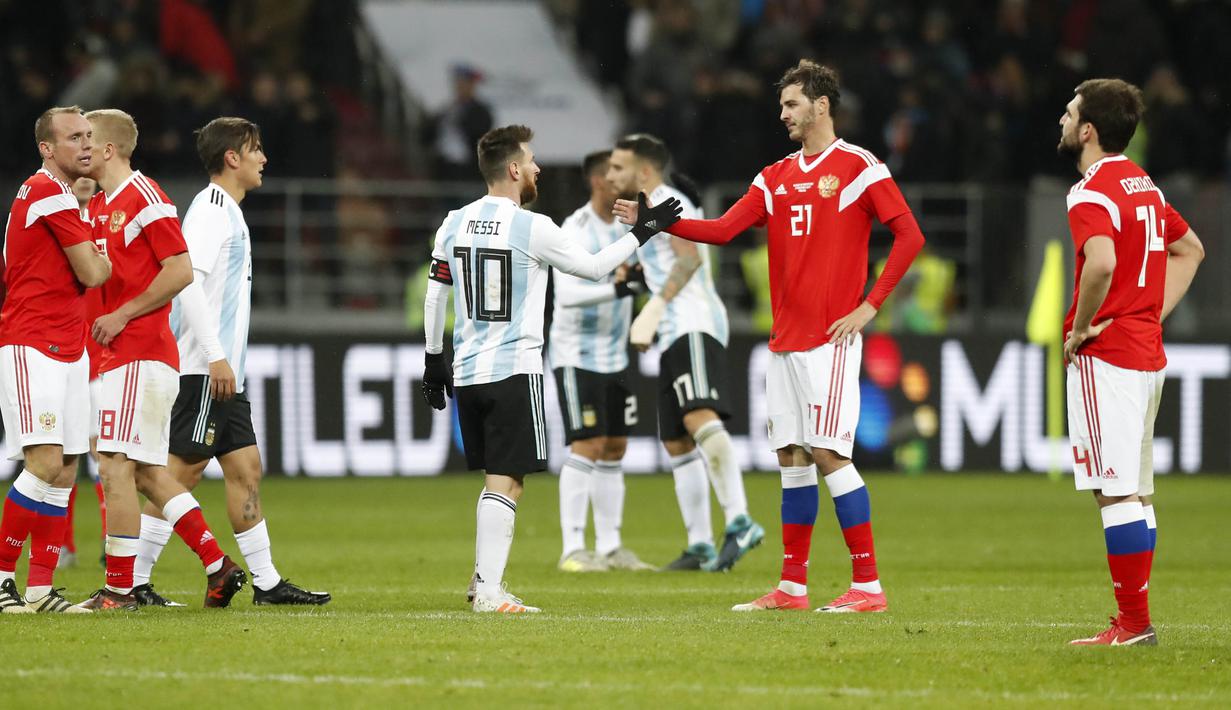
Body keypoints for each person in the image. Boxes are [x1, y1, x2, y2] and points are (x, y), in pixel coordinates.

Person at [615, 60, 926, 612]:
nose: (782, 114)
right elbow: (723, 229)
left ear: (821, 106)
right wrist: (656, 221)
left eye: (791, 105)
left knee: (830, 454)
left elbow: (909, 235)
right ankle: (792, 587)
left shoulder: (859, 167)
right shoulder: (775, 177)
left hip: (830, 339)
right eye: (782, 105)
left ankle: (869, 586)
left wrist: (871, 306)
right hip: (785, 341)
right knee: (791, 456)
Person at [421, 125, 680, 613]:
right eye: (532, 159)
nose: (537, 167)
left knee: (496, 480)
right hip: (514, 368)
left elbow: (437, 292)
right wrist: (644, 231)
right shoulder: (531, 226)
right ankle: (491, 592)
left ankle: (483, 583)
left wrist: (434, 359)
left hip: (469, 371)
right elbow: (594, 268)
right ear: (514, 169)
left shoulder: (453, 221)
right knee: (507, 480)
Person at [129, 117, 331, 607]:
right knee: (176, 473)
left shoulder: (228, 212)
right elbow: (187, 282)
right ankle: (132, 581)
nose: (264, 158)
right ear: (232, 158)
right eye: (255, 149)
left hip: (222, 374)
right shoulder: (211, 211)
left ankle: (266, 584)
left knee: (246, 469)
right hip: (204, 369)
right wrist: (216, 358)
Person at [77, 108, 246, 610]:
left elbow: (179, 272)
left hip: (138, 353)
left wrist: (123, 314)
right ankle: (219, 566)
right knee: (149, 472)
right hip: (122, 356)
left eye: (88, 139)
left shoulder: (145, 197)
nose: (81, 148)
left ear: (109, 149)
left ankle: (120, 590)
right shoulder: (104, 203)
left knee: (113, 468)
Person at [1056, 79, 1203, 646]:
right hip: (1146, 356)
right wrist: (1150, 311)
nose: (1063, 121)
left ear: (1088, 130)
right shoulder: (1144, 185)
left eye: (1070, 113)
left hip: (1109, 359)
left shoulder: (1089, 191)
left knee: (1114, 492)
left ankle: (1134, 624)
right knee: (1136, 492)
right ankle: (1135, 621)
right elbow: (1191, 250)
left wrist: (1079, 328)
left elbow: (1100, 263)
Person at [606, 133, 763, 572]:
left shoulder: (666, 200)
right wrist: (636, 275)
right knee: (676, 440)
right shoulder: (642, 208)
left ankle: (740, 520)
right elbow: (661, 260)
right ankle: (700, 545)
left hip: (691, 321)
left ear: (644, 170)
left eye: (618, 167)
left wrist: (655, 305)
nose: (610, 174)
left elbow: (691, 258)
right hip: (672, 329)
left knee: (698, 417)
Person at [0, 106, 111, 614]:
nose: (85, 145)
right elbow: (93, 272)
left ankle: (41, 590)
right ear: (47, 148)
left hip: (68, 347)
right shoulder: (46, 190)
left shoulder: (64, 196)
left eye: (89, 136)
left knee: (66, 469)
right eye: (73, 138)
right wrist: (99, 250)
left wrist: (85, 215)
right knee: (43, 462)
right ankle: (3, 580)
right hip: (32, 345)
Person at [549, 150, 654, 573]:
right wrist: (623, 291)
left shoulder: (630, 228)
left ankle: (610, 547)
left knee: (615, 447)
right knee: (587, 445)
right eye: (613, 174)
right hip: (576, 355)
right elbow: (568, 295)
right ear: (596, 181)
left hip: (616, 355)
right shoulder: (572, 229)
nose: (621, 179)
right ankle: (573, 548)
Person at [58, 175, 109, 571]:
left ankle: (113, 544)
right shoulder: (56, 223)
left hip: (102, 358)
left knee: (104, 456)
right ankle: (64, 544)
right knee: (64, 454)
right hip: (66, 355)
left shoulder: (109, 221)